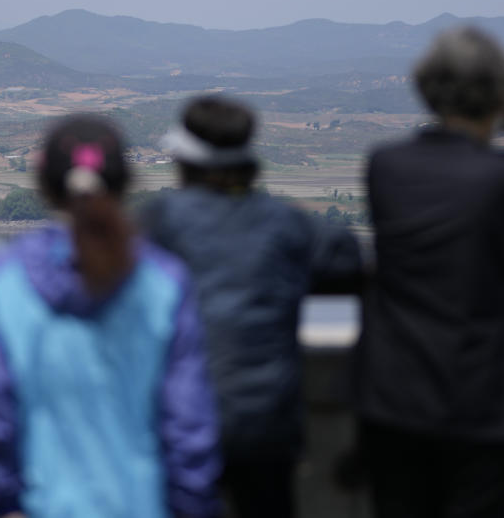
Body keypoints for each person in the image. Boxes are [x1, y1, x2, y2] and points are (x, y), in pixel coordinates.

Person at [351, 27, 504, 518]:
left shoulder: (385, 166)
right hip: (482, 402)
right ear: (502, 97)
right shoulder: (502, 181)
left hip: (394, 398)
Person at [0, 114, 222, 518]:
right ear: (123, 183)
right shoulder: (163, 282)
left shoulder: (5, 280)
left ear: (46, 186)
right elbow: (188, 423)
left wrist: (6, 500)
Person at [138, 95, 361, 518]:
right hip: (267, 423)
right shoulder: (285, 223)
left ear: (184, 161)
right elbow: (345, 255)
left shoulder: (161, 219)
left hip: (184, 420)